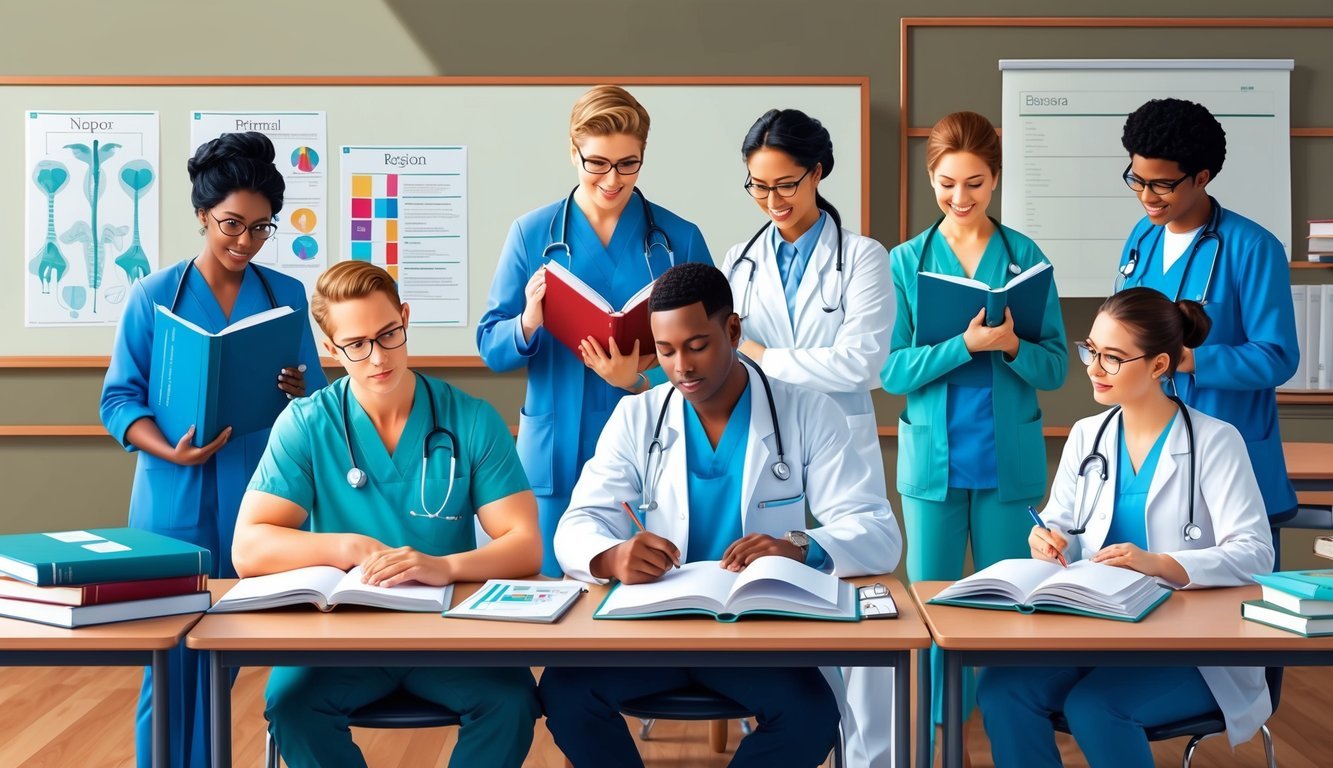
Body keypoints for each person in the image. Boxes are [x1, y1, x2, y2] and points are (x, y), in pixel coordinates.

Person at [539, 262, 902, 768]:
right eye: (665, 351)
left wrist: (797, 546)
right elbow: (578, 524)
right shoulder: (637, 416)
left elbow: (877, 530)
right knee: (564, 690)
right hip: (655, 631)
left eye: (697, 345)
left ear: (732, 330)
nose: (681, 366)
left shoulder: (807, 413)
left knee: (812, 713)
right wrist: (610, 555)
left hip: (758, 637)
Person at [232, 260, 542, 768]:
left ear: (405, 317)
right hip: (340, 639)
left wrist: (444, 566)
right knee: (292, 706)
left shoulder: (470, 418)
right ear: (332, 349)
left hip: (447, 634)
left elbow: (524, 542)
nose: (378, 357)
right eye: (356, 345)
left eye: (388, 334)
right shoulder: (307, 423)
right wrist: (348, 547)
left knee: (510, 703)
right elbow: (248, 547)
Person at [99, 131, 327, 768]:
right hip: (173, 499)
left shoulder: (285, 295)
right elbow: (118, 401)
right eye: (232, 224)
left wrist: (296, 389)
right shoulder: (152, 297)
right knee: (168, 666)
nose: (245, 242)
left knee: (225, 658)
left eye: (261, 228)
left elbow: (315, 403)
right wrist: (169, 452)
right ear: (202, 215)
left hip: (260, 500)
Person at [977, 287, 1274, 768]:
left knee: (1097, 708)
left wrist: (1161, 564)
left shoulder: (1217, 442)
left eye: (1112, 358)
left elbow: (1257, 552)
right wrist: (1046, 537)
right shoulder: (1086, 434)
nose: (1093, 368)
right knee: (1001, 687)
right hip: (1095, 632)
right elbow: (1062, 521)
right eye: (1091, 350)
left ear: (1159, 366)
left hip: (1191, 649)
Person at [880, 110, 1067, 754]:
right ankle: (935, 742)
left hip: (1007, 465)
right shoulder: (906, 262)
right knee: (933, 614)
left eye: (976, 184)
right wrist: (963, 345)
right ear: (930, 177)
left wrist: (1013, 345)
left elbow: (1057, 367)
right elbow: (893, 370)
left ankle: (1006, 737)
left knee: (1008, 613)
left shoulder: (1027, 257)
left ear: (996, 181)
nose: (960, 199)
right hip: (933, 464)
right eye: (947, 184)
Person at [720, 108, 896, 766]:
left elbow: (864, 364)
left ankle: (872, 757)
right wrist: (763, 360)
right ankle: (795, 742)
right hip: (766, 445)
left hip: (841, 442)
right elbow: (728, 361)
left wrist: (765, 356)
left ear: (816, 173)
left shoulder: (863, 257)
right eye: (757, 187)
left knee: (860, 589)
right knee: (774, 589)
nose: (771, 201)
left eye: (784, 185)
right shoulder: (736, 260)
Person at [478, 84, 712, 576]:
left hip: (653, 442)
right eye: (598, 163)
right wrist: (528, 321)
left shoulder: (680, 238)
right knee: (551, 597)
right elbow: (492, 348)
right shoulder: (531, 233)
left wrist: (640, 378)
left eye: (629, 164)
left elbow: (715, 352)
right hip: (558, 444)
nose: (613, 179)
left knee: (648, 592)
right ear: (573, 151)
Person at [1114, 97, 1299, 558]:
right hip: (1151, 449)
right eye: (1137, 179)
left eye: (1162, 185)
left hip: (1228, 452)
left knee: (1237, 611)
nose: (1146, 196)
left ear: (1202, 177)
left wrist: (1191, 359)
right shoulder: (1141, 238)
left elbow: (1278, 356)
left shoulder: (1253, 248)